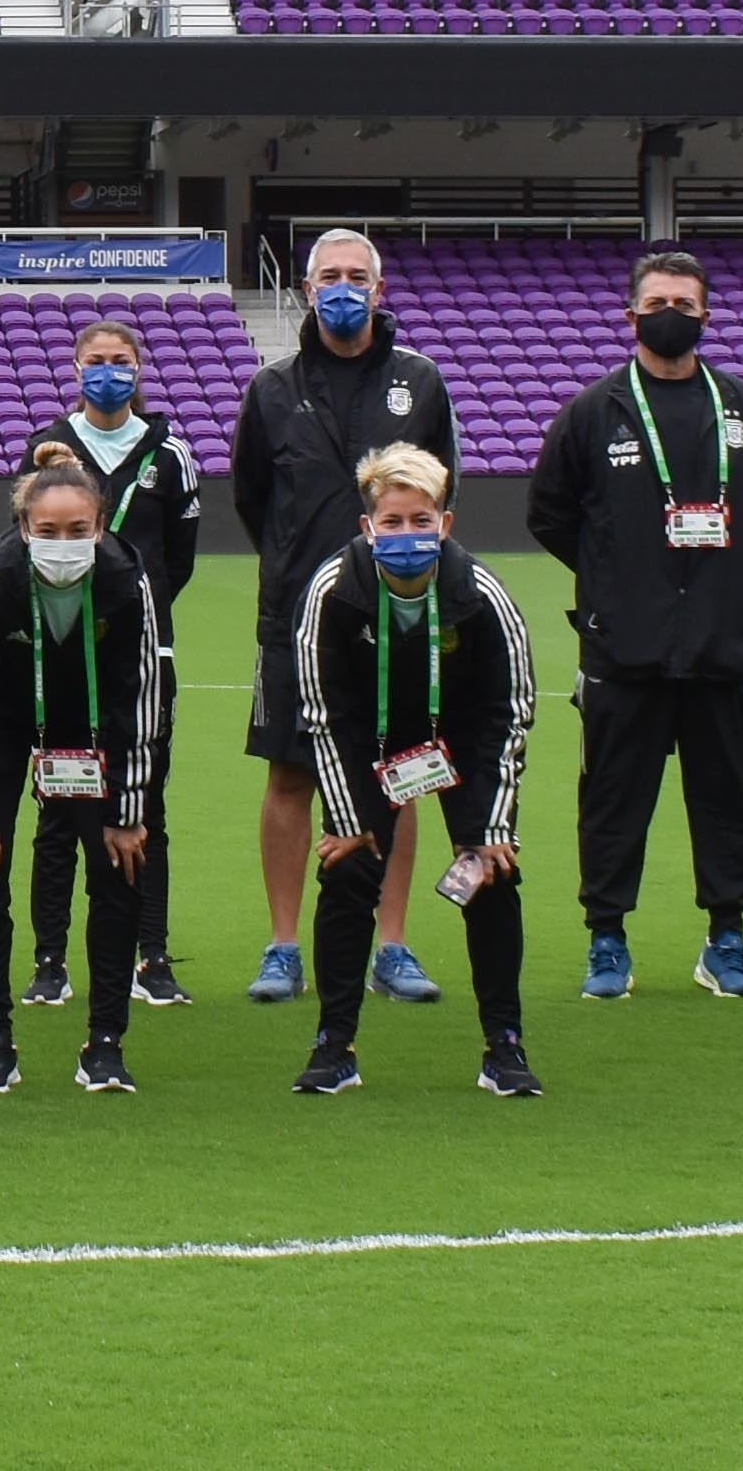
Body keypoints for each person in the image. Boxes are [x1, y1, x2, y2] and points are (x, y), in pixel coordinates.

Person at [526, 248, 743, 1007]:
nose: (672, 312)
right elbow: (549, 513)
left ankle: (726, 937)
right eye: (658, 300)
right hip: (623, 650)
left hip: (720, 646)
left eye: (685, 301)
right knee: (612, 800)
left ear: (706, 314)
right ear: (631, 314)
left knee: (726, 799)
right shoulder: (591, 411)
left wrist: (723, 576)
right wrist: (614, 573)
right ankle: (607, 938)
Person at [231, 228, 458, 1006]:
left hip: (396, 614)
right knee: (291, 774)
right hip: (295, 618)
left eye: (357, 275)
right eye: (329, 274)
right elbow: (255, 500)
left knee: (396, 777)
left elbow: (437, 496)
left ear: (380, 289)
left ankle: (391, 946)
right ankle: (284, 946)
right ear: (304, 288)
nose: (343, 286)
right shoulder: (271, 386)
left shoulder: (420, 382)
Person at [291, 446, 542, 1098]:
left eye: (421, 521)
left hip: (458, 742)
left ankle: (504, 1046)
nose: (407, 535)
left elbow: (510, 712)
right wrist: (349, 821)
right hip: (368, 744)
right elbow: (323, 714)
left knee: (491, 874)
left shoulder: (482, 595)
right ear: (368, 528)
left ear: (446, 525)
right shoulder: (333, 592)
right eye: (393, 522)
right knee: (346, 869)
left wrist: (490, 827)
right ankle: (333, 1047)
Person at [0, 458, 163, 1091]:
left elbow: (140, 700)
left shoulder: (127, 583)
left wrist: (128, 813)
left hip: (94, 739)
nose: (63, 544)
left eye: (78, 530)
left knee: (121, 871)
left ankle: (105, 1042)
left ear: (100, 527)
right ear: (22, 525)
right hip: (11, 735)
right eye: (48, 529)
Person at [33, 321, 200, 1006]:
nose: (109, 371)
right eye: (97, 361)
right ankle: (50, 962)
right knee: (55, 806)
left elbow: (179, 557)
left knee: (144, 802)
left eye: (121, 361)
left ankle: (150, 956)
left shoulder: (171, 454)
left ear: (140, 368)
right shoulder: (50, 450)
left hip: (142, 653)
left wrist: (140, 607)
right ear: (77, 369)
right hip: (62, 647)